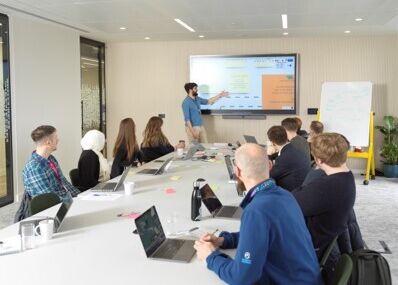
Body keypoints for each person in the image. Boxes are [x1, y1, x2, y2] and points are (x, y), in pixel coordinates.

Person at [194, 143, 322, 285]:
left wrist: (210, 256)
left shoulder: (256, 211)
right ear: (269, 165)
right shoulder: (285, 195)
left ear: (238, 172)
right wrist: (224, 241)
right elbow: (263, 235)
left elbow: (241, 279)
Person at [292, 133, 357, 282]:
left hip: (309, 250)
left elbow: (290, 201)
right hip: (321, 244)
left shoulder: (326, 187)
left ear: (318, 160)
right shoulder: (346, 177)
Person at [23, 125, 80, 201]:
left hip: (65, 200)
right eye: (56, 137)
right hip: (52, 208)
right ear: (48, 142)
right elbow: (50, 199)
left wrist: (80, 196)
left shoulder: (51, 159)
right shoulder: (34, 168)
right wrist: (74, 201)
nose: (58, 140)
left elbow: (64, 182)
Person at [267, 126, 311, 191]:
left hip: (291, 194)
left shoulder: (284, 158)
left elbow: (267, 176)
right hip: (302, 189)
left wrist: (268, 155)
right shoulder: (293, 149)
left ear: (272, 143)